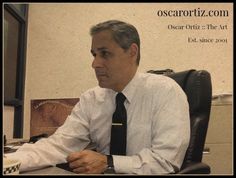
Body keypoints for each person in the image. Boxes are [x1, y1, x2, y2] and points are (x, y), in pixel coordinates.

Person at [7, 20, 190, 175]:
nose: (95, 64)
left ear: (132, 52)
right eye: (94, 55)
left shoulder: (166, 92)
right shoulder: (91, 99)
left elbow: (165, 161)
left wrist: (108, 162)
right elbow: (57, 146)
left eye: (105, 54)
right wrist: (9, 161)